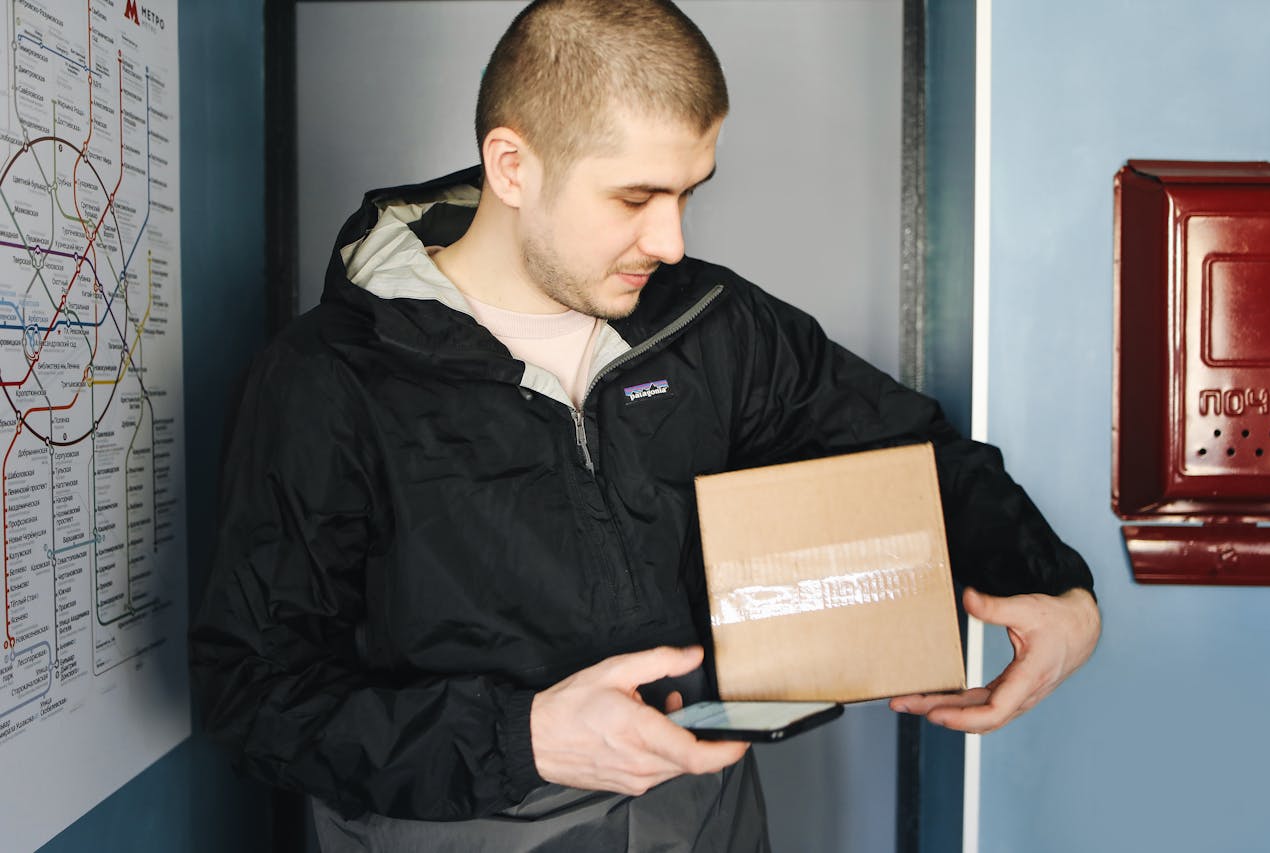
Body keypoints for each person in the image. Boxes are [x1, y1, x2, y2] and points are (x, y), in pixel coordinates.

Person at [190, 1, 1101, 850]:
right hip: (463, 825)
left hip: (704, 815)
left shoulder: (710, 323)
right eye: (634, 199)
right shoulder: (330, 378)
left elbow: (906, 449)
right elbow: (254, 692)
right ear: (513, 166)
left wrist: (1055, 586)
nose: (669, 240)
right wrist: (526, 737)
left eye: (688, 192)